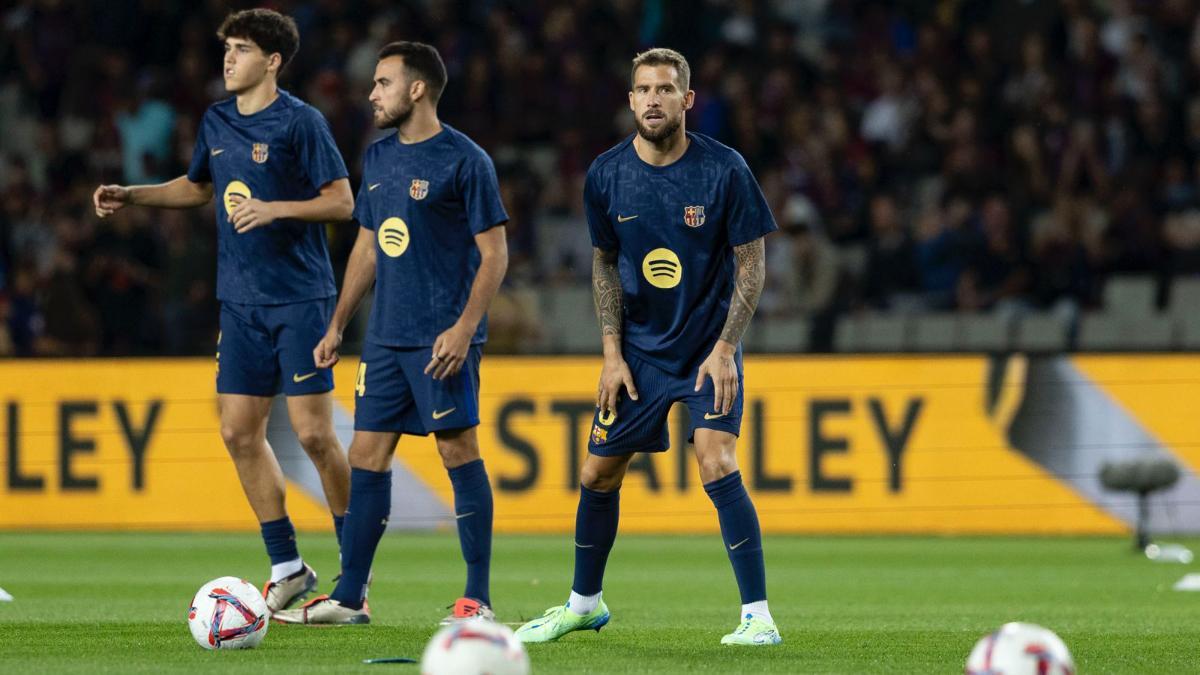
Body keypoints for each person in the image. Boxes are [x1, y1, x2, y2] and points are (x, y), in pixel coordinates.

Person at [515, 48, 781, 646]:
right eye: (643, 90)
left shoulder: (725, 169)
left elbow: (752, 264)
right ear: (630, 100)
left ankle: (757, 616)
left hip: (709, 347)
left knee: (715, 458)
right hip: (640, 353)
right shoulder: (607, 175)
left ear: (687, 100)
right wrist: (611, 353)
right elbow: (604, 263)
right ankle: (584, 603)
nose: (653, 99)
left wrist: (726, 348)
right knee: (598, 473)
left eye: (665, 89)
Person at [91, 8, 352, 613]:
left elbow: (341, 203)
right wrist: (133, 195)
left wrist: (274, 209)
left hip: (300, 299)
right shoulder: (215, 119)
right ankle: (287, 565)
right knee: (238, 431)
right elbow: (199, 187)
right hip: (239, 304)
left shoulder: (302, 123)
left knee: (314, 434)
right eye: (227, 48)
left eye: (240, 49)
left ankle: (354, 564)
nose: (228, 58)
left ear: (273, 60)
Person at [273, 41, 509, 625]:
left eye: (382, 83)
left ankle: (476, 598)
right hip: (383, 338)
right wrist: (337, 324)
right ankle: (350, 596)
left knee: (458, 451)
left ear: (417, 88)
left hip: (440, 341)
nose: (372, 93)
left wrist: (463, 329)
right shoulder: (377, 158)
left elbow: (495, 254)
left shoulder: (465, 159)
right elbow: (370, 245)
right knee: (366, 454)